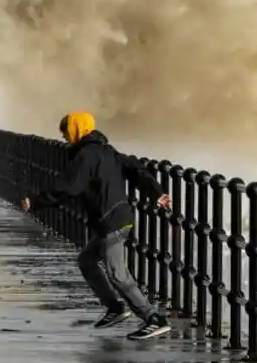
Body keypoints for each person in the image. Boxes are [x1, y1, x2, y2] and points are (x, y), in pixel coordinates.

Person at [20, 111, 173, 341]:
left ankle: (153, 319)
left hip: (111, 221)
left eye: (66, 132)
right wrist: (156, 193)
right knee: (87, 261)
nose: (65, 137)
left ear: (77, 129)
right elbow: (135, 170)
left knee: (117, 273)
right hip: (115, 219)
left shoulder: (86, 156)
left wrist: (35, 201)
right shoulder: (107, 150)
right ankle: (115, 308)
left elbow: (67, 188)